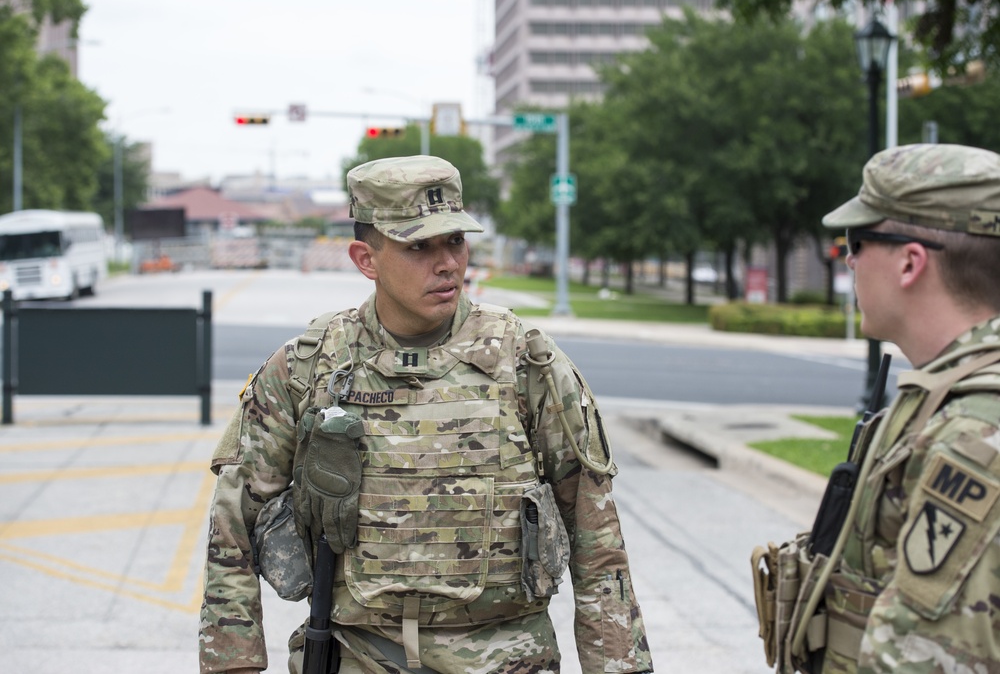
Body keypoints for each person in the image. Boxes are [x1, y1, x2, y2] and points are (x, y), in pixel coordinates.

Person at [199, 155, 653, 674]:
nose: (448, 264)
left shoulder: (524, 359)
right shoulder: (309, 365)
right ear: (366, 259)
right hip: (355, 656)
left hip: (505, 659)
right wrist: (232, 665)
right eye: (419, 246)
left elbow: (597, 539)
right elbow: (234, 523)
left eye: (455, 240)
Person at [755, 143, 1000, 674]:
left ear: (910, 261)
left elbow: (929, 657)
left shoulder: (974, 433)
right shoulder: (943, 399)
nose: (848, 258)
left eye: (858, 241)